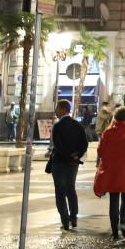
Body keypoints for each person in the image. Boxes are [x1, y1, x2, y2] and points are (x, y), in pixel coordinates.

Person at [95, 107, 125, 237]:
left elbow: (100, 151)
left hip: (111, 169)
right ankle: (123, 221)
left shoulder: (108, 132)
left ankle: (114, 228)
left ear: (115, 117)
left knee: (114, 199)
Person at [48, 98, 88, 230]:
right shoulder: (78, 126)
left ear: (64, 109)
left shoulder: (57, 126)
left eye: (58, 108)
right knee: (71, 190)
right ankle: (73, 218)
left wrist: (67, 154)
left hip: (59, 162)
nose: (56, 111)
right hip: (73, 163)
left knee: (60, 192)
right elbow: (84, 143)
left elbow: (57, 144)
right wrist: (77, 155)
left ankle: (65, 221)